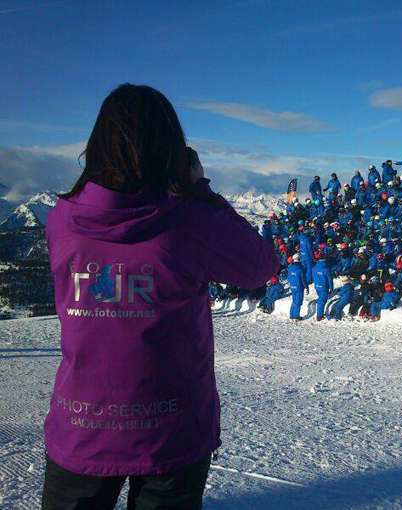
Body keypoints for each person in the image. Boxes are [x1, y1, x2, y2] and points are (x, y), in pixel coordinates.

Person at [42, 84, 279, 509]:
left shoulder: (62, 219)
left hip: (81, 427)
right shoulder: (187, 220)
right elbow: (261, 265)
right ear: (171, 146)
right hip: (171, 431)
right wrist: (200, 190)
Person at [312, 252, 333, 321]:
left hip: (317, 286)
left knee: (320, 299)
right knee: (321, 301)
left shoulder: (314, 268)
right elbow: (330, 279)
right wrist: (331, 288)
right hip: (324, 287)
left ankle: (320, 313)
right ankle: (319, 316)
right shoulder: (326, 269)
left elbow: (313, 276)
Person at [287, 253, 307, 321]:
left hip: (292, 287)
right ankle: (296, 316)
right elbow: (303, 280)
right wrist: (306, 287)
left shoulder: (290, 268)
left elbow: (289, 277)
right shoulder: (300, 269)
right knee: (298, 302)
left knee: (294, 301)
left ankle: (291, 315)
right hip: (299, 287)